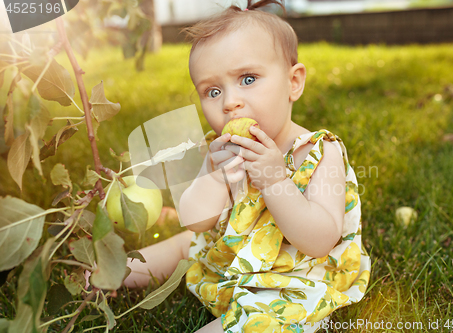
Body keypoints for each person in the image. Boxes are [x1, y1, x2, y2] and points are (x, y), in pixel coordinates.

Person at [123, 1, 371, 332]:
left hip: (293, 275)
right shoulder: (220, 149)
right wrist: (213, 176)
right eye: (212, 91)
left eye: (248, 79)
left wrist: (274, 181)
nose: (229, 102)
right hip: (230, 254)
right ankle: (106, 273)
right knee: (188, 244)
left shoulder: (319, 152)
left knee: (261, 320)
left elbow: (320, 239)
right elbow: (197, 222)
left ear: (293, 82)